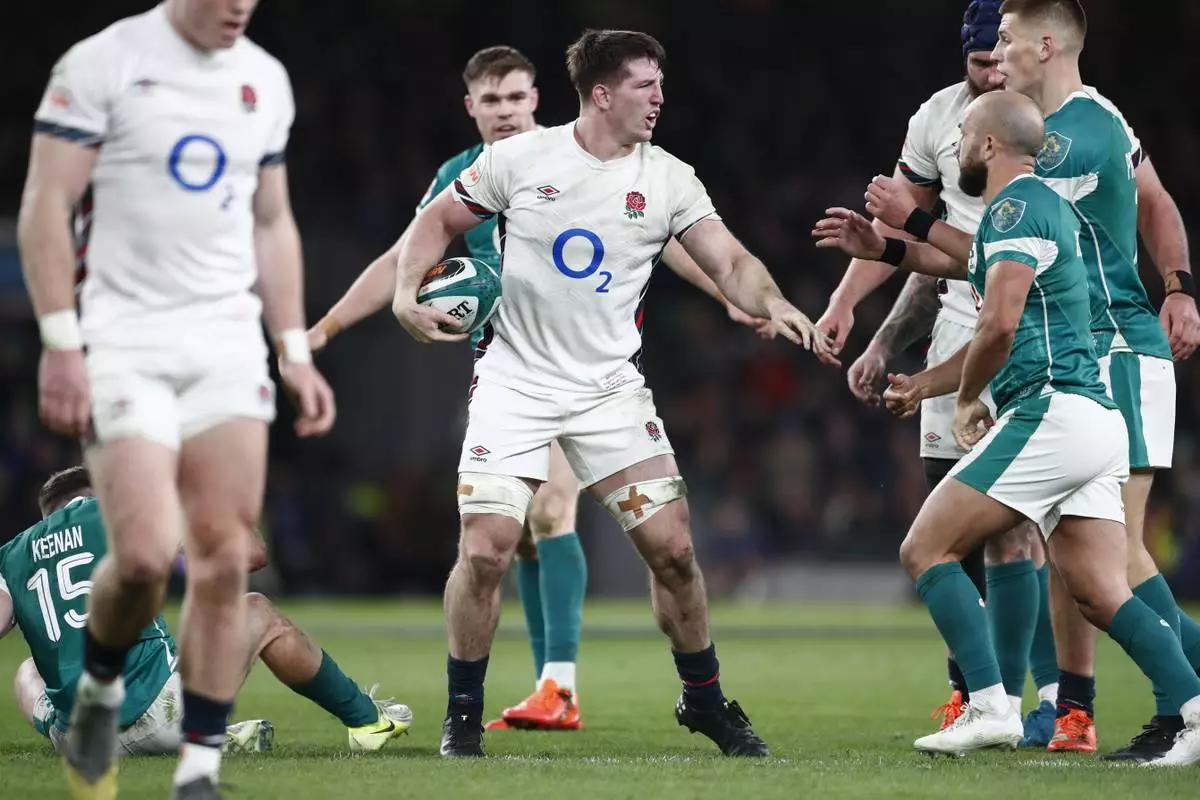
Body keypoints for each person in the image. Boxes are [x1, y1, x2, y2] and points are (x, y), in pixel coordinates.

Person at [390, 28, 835, 758]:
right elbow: (437, 219)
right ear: (601, 94)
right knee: (487, 550)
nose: (659, 98)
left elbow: (729, 260)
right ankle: (462, 713)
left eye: (660, 84)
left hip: (608, 392)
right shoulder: (520, 159)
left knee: (675, 550)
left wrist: (774, 301)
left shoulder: (670, 178)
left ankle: (704, 700)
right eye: (643, 85)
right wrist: (406, 293)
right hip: (514, 383)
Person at [309, 45, 770, 733]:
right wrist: (330, 326)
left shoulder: (581, 160)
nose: (506, 111)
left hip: (594, 377)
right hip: (509, 369)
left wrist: (729, 294)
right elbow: (407, 250)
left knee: (553, 512)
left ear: (537, 100)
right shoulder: (468, 174)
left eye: (518, 98)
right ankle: (523, 690)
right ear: (471, 107)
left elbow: (669, 235)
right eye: (492, 100)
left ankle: (560, 685)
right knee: (507, 540)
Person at [811, 88, 1200, 764]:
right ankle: (1194, 712)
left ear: (989, 144)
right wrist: (918, 364)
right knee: (1101, 591)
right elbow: (968, 265)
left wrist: (965, 400)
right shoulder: (1030, 209)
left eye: (965, 132)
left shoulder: (1016, 206)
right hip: (1092, 420)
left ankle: (990, 705)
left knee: (924, 549)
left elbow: (996, 324)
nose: (958, 142)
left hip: (1050, 412)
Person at [17, 2, 336, 797]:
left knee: (225, 556)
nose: (239, 7)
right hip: (125, 340)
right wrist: (60, 340)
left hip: (225, 346)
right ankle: (99, 690)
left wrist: (293, 349)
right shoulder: (101, 64)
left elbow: (272, 221)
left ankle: (197, 769)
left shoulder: (264, 79)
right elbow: (46, 204)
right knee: (144, 557)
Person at [813, 0, 1057, 746]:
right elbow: (902, 239)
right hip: (960, 326)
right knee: (952, 526)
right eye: (981, 61)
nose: (992, 73)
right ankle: (981, 696)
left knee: (1021, 533)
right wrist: (852, 310)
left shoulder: (1051, 119)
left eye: (1001, 58)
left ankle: (1042, 696)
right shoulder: (937, 120)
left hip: (1034, 327)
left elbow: (945, 242)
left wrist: (1173, 288)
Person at [0, 467, 412, 759]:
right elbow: (252, 555)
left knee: (27, 672)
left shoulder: (13, 554)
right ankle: (367, 721)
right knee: (257, 610)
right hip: (158, 712)